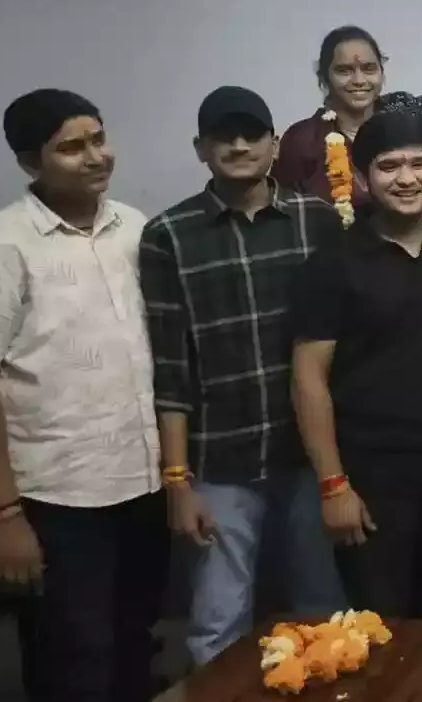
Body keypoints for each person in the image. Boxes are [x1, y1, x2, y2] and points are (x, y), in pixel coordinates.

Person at [0, 89, 166, 702]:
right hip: (57, 495)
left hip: (141, 480)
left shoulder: (135, 229)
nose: (95, 157)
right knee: (74, 659)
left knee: (135, 638)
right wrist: (4, 516)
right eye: (71, 148)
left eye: (98, 139)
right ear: (29, 162)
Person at [139, 87, 345, 665]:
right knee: (217, 624)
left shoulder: (318, 220)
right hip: (220, 463)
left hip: (307, 460)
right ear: (200, 148)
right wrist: (177, 482)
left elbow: (342, 345)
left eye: (251, 134)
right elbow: (169, 367)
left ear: (274, 144)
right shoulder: (168, 234)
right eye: (222, 137)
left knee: (324, 614)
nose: (238, 146)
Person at [290, 112, 422, 618]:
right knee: (384, 627)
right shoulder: (332, 263)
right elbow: (309, 378)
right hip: (372, 481)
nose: (406, 179)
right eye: (388, 166)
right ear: (361, 176)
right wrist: (333, 485)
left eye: (418, 163)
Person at [275, 26, 400, 216]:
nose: (359, 80)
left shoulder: (400, 130)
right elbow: (283, 212)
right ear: (324, 78)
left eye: (369, 69)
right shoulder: (302, 141)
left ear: (382, 73)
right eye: (344, 70)